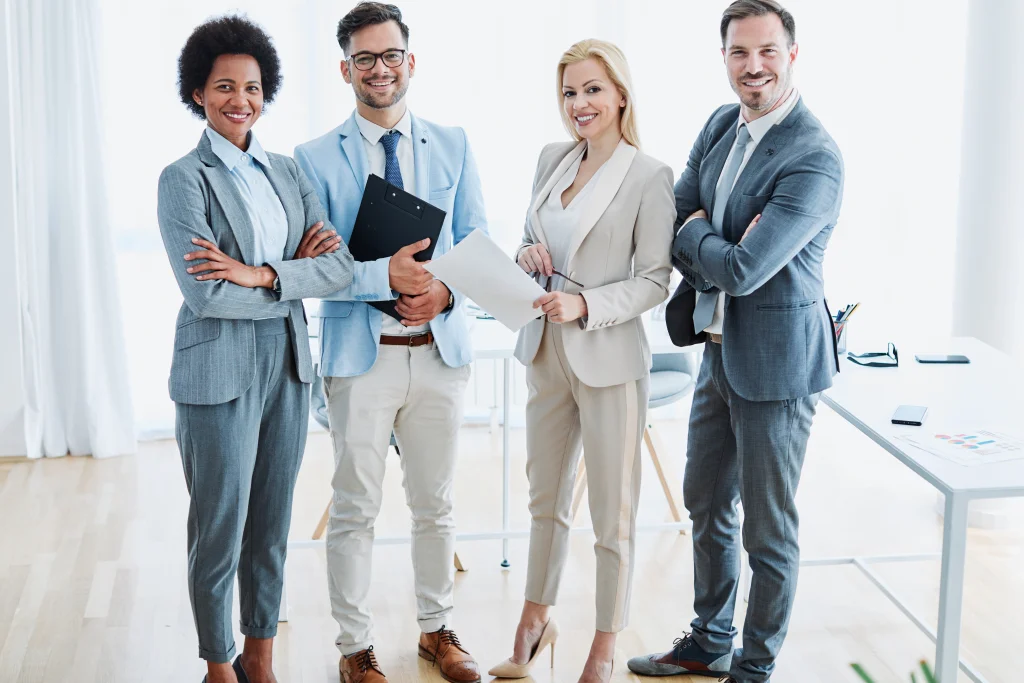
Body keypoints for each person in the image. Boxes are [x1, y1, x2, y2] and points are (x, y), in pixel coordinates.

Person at [627, 2, 844, 682]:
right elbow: (677, 212)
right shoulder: (723, 122)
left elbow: (748, 269)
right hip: (718, 349)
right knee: (704, 501)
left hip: (777, 366)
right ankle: (710, 637)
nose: (753, 66)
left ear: (793, 53)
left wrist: (699, 233)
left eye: (767, 51)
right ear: (724, 57)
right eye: (739, 53)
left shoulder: (814, 156)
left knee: (767, 529)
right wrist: (704, 236)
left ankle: (754, 665)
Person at [291, 4, 486, 683]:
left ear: (411, 60)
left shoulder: (455, 143)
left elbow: (476, 243)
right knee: (356, 507)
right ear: (346, 68)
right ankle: (355, 646)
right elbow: (316, 267)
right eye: (365, 59)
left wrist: (448, 293)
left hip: (439, 351)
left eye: (391, 55)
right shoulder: (311, 160)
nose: (380, 69)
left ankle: (437, 629)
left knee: (436, 504)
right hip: (361, 357)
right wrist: (384, 275)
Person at [157, 15, 355, 683]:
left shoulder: (287, 171)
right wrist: (288, 279)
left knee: (270, 525)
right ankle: (219, 666)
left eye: (251, 86)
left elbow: (339, 267)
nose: (240, 100)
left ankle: (260, 659)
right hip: (218, 366)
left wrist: (260, 272)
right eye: (223, 87)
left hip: (289, 365)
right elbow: (205, 294)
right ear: (198, 95)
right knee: (220, 526)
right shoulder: (183, 180)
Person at [487, 39, 675, 683]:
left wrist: (587, 305)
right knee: (546, 501)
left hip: (609, 360)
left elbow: (655, 280)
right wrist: (526, 255)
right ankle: (534, 622)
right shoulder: (551, 160)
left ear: (621, 93)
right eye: (569, 92)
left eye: (593, 89)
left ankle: (603, 645)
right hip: (544, 351)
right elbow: (529, 239)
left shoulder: (650, 176)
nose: (579, 104)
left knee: (611, 515)